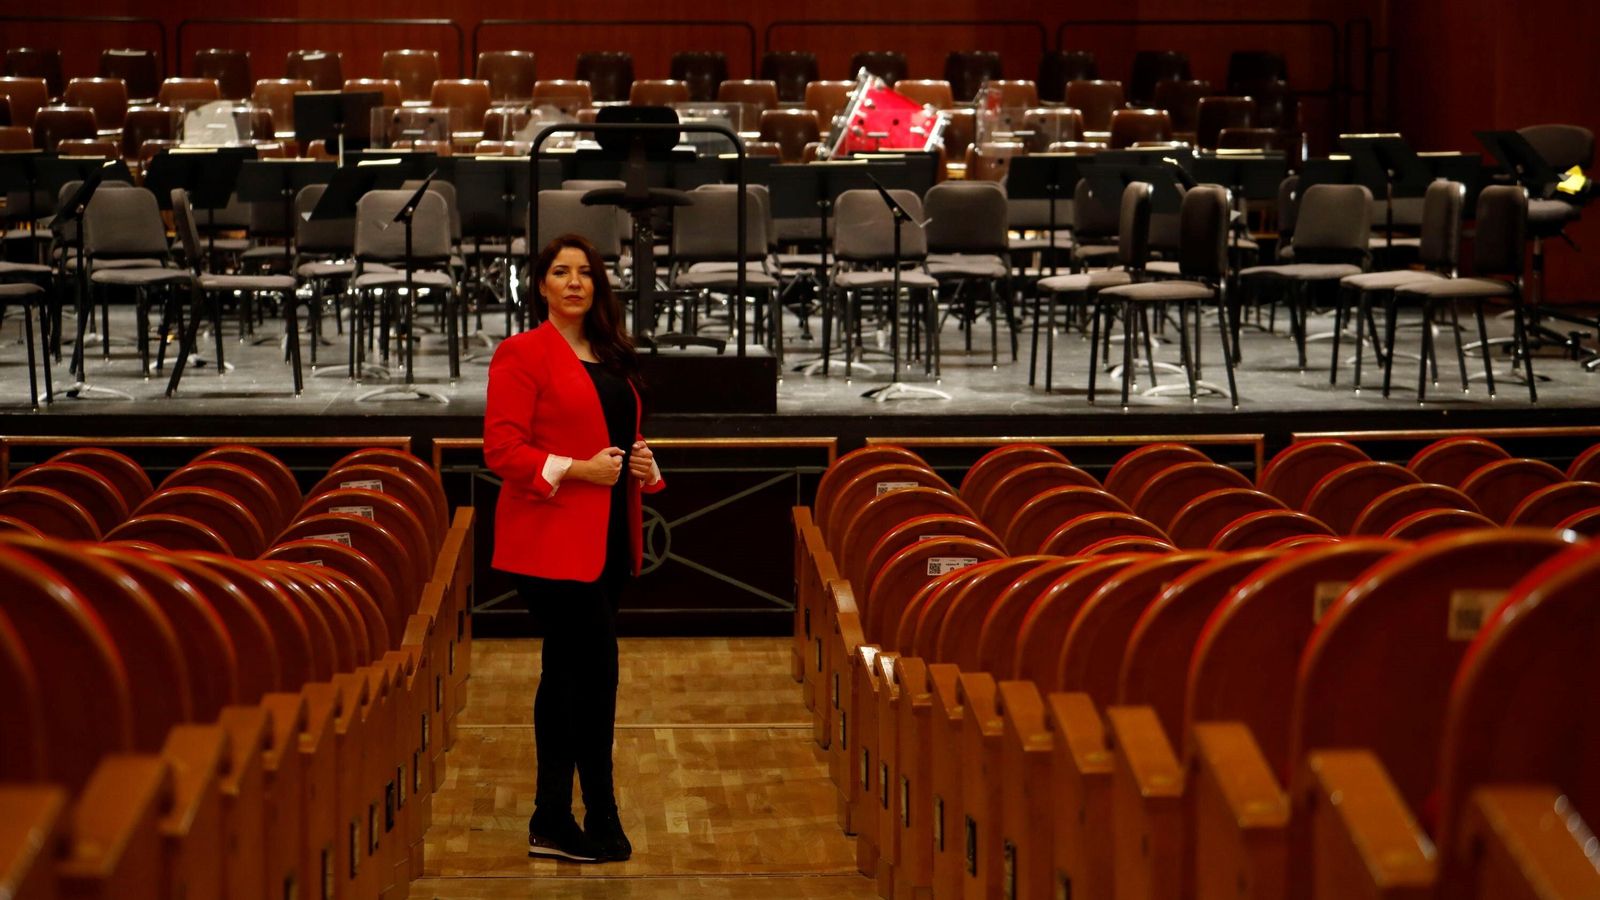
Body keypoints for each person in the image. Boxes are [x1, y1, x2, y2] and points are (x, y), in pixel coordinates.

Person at [483, 234, 665, 863]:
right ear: (540, 285)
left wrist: (644, 462)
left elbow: (621, 433)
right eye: (560, 272)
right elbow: (502, 451)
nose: (574, 282)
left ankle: (552, 818)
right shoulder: (521, 353)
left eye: (585, 272)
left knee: (565, 675)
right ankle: (600, 816)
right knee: (597, 675)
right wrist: (576, 470)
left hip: (610, 537)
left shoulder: (612, 354)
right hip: (549, 542)